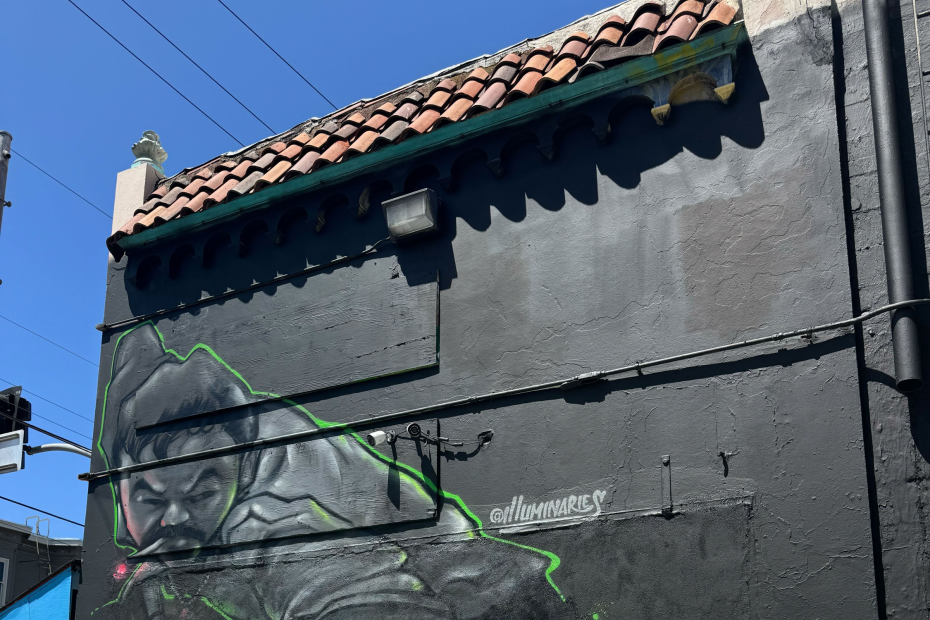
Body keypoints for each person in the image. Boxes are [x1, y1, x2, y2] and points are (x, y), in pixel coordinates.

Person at [96, 323, 567, 619]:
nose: (175, 517)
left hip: (496, 594)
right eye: (152, 499)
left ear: (241, 469)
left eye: (200, 497)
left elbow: (356, 596)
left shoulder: (271, 515)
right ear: (119, 484)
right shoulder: (159, 432)